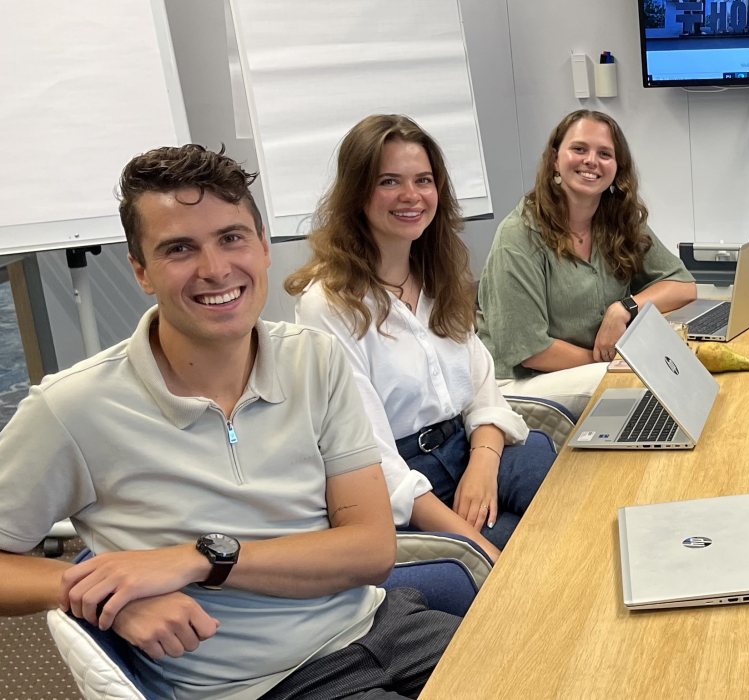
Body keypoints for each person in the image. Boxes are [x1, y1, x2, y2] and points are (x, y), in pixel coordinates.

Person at [0, 145, 459, 699]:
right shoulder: (72, 407)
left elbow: (370, 551)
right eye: (179, 248)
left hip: (386, 627)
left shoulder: (314, 359)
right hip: (269, 685)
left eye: (232, 238)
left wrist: (198, 560)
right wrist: (99, 595)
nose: (215, 269)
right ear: (141, 272)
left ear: (265, 249)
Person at [287, 114, 554, 559]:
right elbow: (370, 458)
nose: (411, 196)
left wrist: (484, 464)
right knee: (509, 554)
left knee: (559, 494)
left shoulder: (439, 277)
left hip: (466, 449)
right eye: (389, 181)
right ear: (357, 194)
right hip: (401, 481)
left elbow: (483, 388)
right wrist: (479, 547)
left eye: (423, 180)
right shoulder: (328, 307)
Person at [479, 109, 696, 415]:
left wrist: (623, 309)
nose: (591, 161)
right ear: (555, 159)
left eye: (605, 153)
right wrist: (618, 361)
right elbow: (531, 351)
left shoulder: (617, 220)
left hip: (588, 367)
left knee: (684, 366)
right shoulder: (518, 236)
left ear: (617, 169)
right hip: (519, 383)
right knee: (647, 384)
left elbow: (683, 286)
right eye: (579, 149)